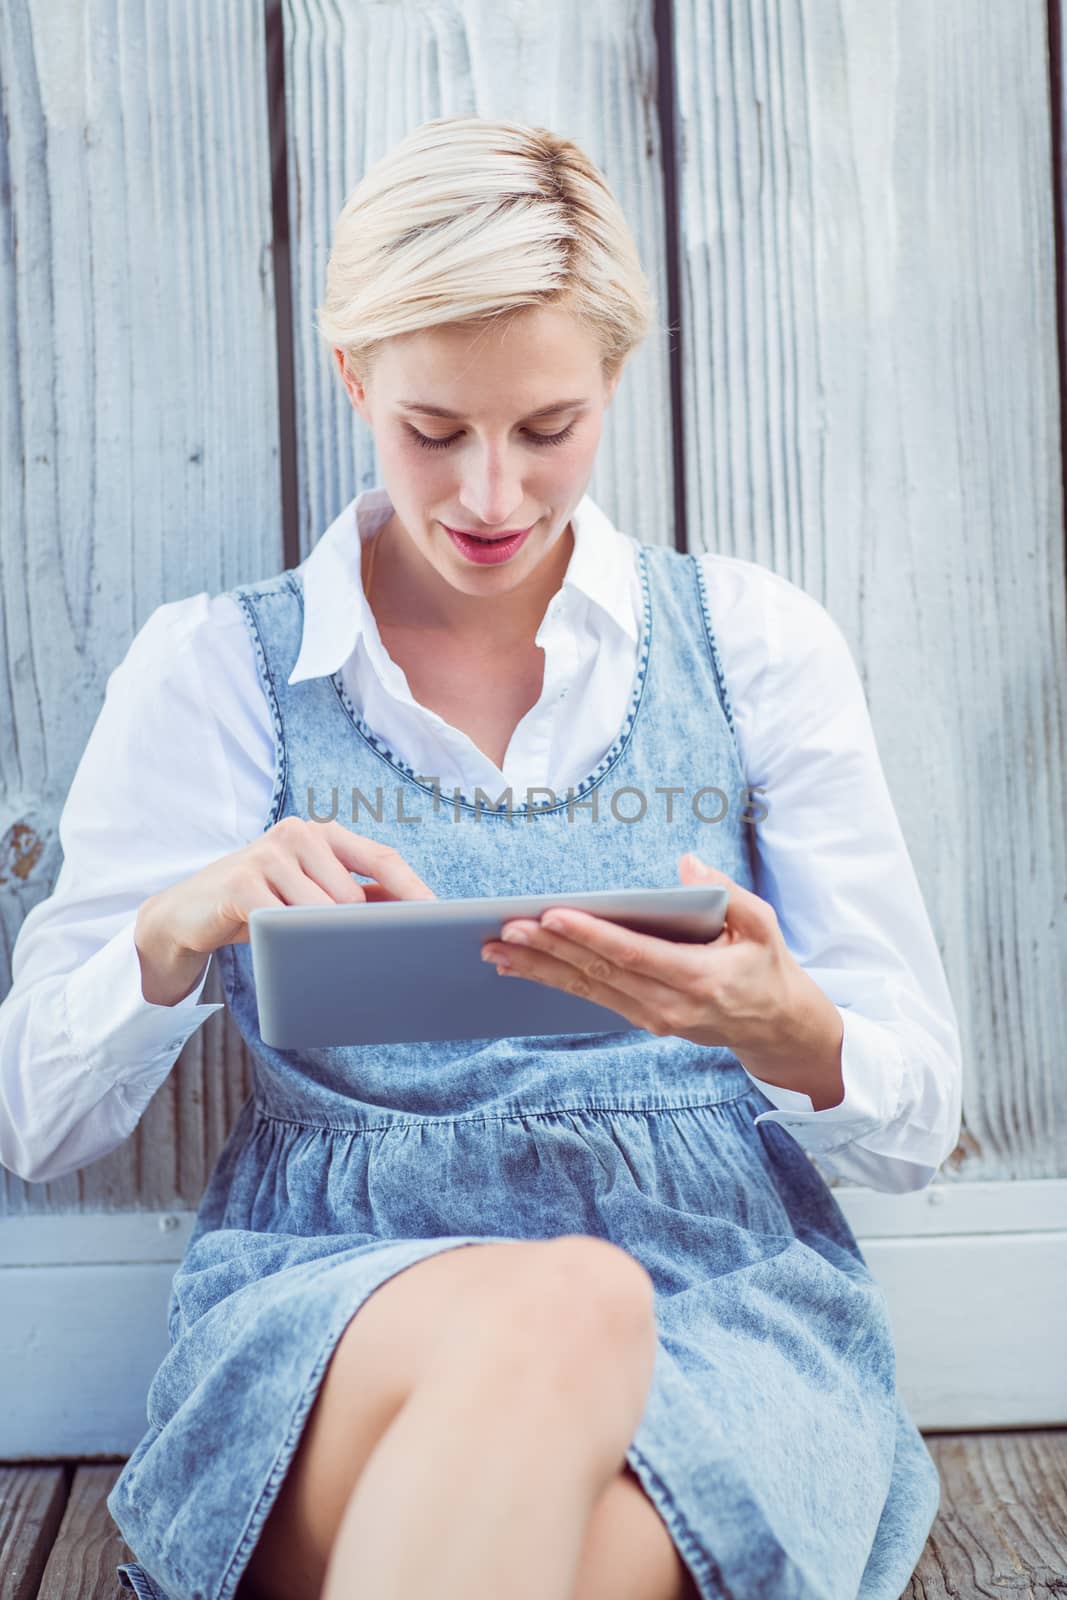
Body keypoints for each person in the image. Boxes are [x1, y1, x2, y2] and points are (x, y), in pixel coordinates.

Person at [0, 115, 962, 1600]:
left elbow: (918, 1112)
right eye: (434, 432)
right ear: (353, 381)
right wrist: (181, 929)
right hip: (339, 1298)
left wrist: (787, 1027)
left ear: (615, 387)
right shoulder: (219, 671)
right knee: (567, 1302)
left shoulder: (755, 645)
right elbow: (36, 1120)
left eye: (549, 430)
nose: (494, 498)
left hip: (721, 1294)